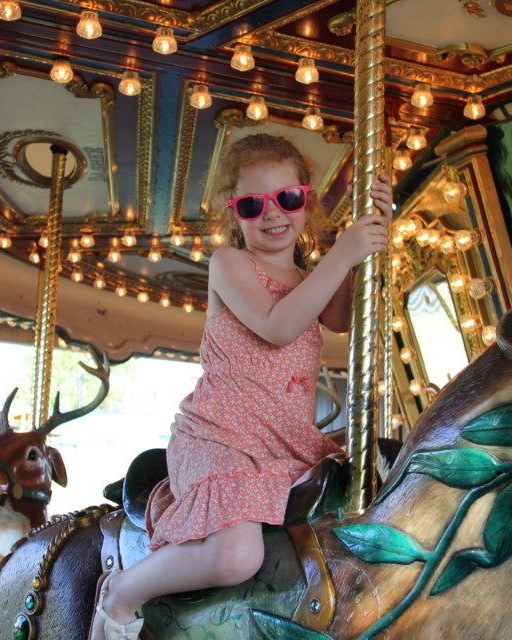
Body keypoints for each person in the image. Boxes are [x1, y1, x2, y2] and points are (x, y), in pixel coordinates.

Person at [89, 133, 393, 640]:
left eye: (288, 199)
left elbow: (341, 316)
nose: (273, 215)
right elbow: (278, 325)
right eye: (253, 205)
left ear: (307, 201)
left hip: (283, 443)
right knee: (236, 556)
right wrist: (342, 254)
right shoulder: (230, 265)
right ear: (234, 215)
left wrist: (375, 232)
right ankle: (123, 591)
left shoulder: (306, 276)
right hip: (218, 438)